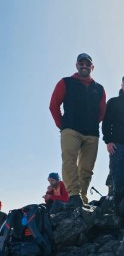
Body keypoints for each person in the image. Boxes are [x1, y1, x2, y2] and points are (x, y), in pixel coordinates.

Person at [49, 53, 106, 207]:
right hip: (71, 130)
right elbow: (54, 105)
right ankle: (73, 195)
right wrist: (63, 125)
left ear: (92, 67)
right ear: (77, 65)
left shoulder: (99, 88)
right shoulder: (66, 82)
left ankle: (82, 197)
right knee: (69, 160)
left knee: (87, 168)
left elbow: (102, 112)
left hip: (92, 134)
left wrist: (92, 123)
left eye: (87, 64)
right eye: (81, 63)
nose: (84, 66)